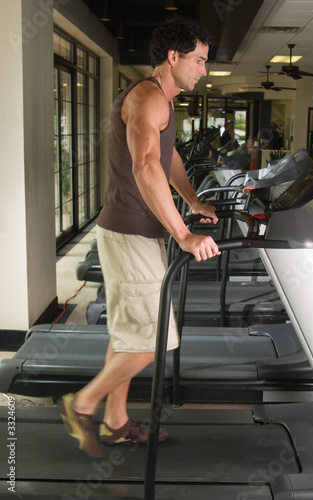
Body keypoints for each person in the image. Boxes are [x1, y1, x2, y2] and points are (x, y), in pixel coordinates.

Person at [59, 18, 220, 457]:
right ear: (174, 57)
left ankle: (114, 421)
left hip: (131, 230)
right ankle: (83, 404)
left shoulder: (160, 99)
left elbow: (167, 161)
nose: (204, 70)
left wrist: (192, 200)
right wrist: (184, 234)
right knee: (154, 340)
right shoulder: (148, 98)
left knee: (129, 334)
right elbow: (146, 165)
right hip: (130, 233)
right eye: (200, 60)